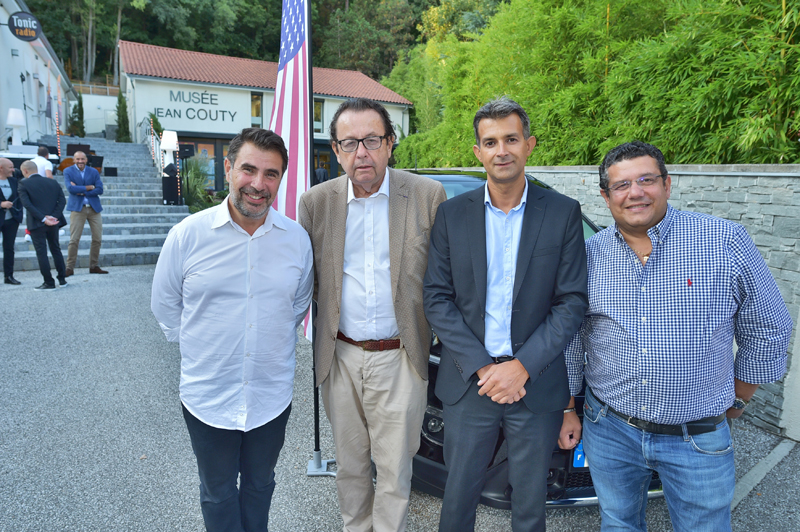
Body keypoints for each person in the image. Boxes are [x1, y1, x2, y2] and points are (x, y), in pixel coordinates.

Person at [560, 141, 793, 532]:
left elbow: (769, 326)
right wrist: (568, 407)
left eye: (646, 179)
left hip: (697, 437)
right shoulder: (588, 256)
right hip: (610, 428)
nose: (635, 192)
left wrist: (737, 399)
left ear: (667, 184)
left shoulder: (724, 242)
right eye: (621, 185)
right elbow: (572, 338)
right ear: (605, 196)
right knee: (618, 522)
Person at [423, 97, 589, 532]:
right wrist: (483, 368)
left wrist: (522, 367)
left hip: (535, 384)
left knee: (530, 504)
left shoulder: (563, 212)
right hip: (469, 383)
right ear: (478, 152)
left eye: (511, 139)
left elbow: (572, 301)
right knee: (457, 498)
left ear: (529, 145)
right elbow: (437, 298)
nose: (502, 150)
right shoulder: (451, 215)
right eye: (491, 141)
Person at [151, 128, 313, 532]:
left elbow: (296, 306)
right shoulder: (188, 235)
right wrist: (202, 346)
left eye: (271, 174)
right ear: (228, 169)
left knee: (261, 485)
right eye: (248, 169)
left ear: (281, 179)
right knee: (218, 492)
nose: (258, 184)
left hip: (269, 396)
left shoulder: (297, 241)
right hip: (208, 396)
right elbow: (166, 306)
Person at [298, 98, 446, 532]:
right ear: (336, 149)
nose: (362, 152)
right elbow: (302, 278)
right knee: (349, 466)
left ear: (390, 143)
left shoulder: (425, 195)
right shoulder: (316, 203)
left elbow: (445, 276)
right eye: (349, 142)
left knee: (396, 470)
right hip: (340, 357)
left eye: (372, 140)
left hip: (401, 357)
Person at [16, 160, 68, 290]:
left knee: (41, 253)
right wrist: (53, 216)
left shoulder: (23, 183)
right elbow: (62, 201)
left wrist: (43, 219)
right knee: (56, 249)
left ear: (25, 171)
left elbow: (27, 205)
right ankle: (62, 279)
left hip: (37, 223)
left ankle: (49, 282)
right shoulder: (52, 182)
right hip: (54, 222)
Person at [64, 151, 107, 276]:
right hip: (78, 209)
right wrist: (89, 187)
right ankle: (69, 268)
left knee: (97, 239)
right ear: (74, 159)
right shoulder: (68, 171)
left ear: (86, 160)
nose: (80, 161)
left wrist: (81, 190)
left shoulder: (93, 171)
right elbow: (70, 189)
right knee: (74, 239)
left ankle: (94, 266)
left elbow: (100, 189)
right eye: (78, 159)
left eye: (82, 159)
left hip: (94, 209)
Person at [0, 158, 24, 284]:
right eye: (10, 167)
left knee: (9, 248)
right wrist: (1, 204)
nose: (13, 169)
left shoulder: (14, 181)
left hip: (11, 220)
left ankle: (8, 276)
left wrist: (18, 212)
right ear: (1, 168)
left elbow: (19, 198)